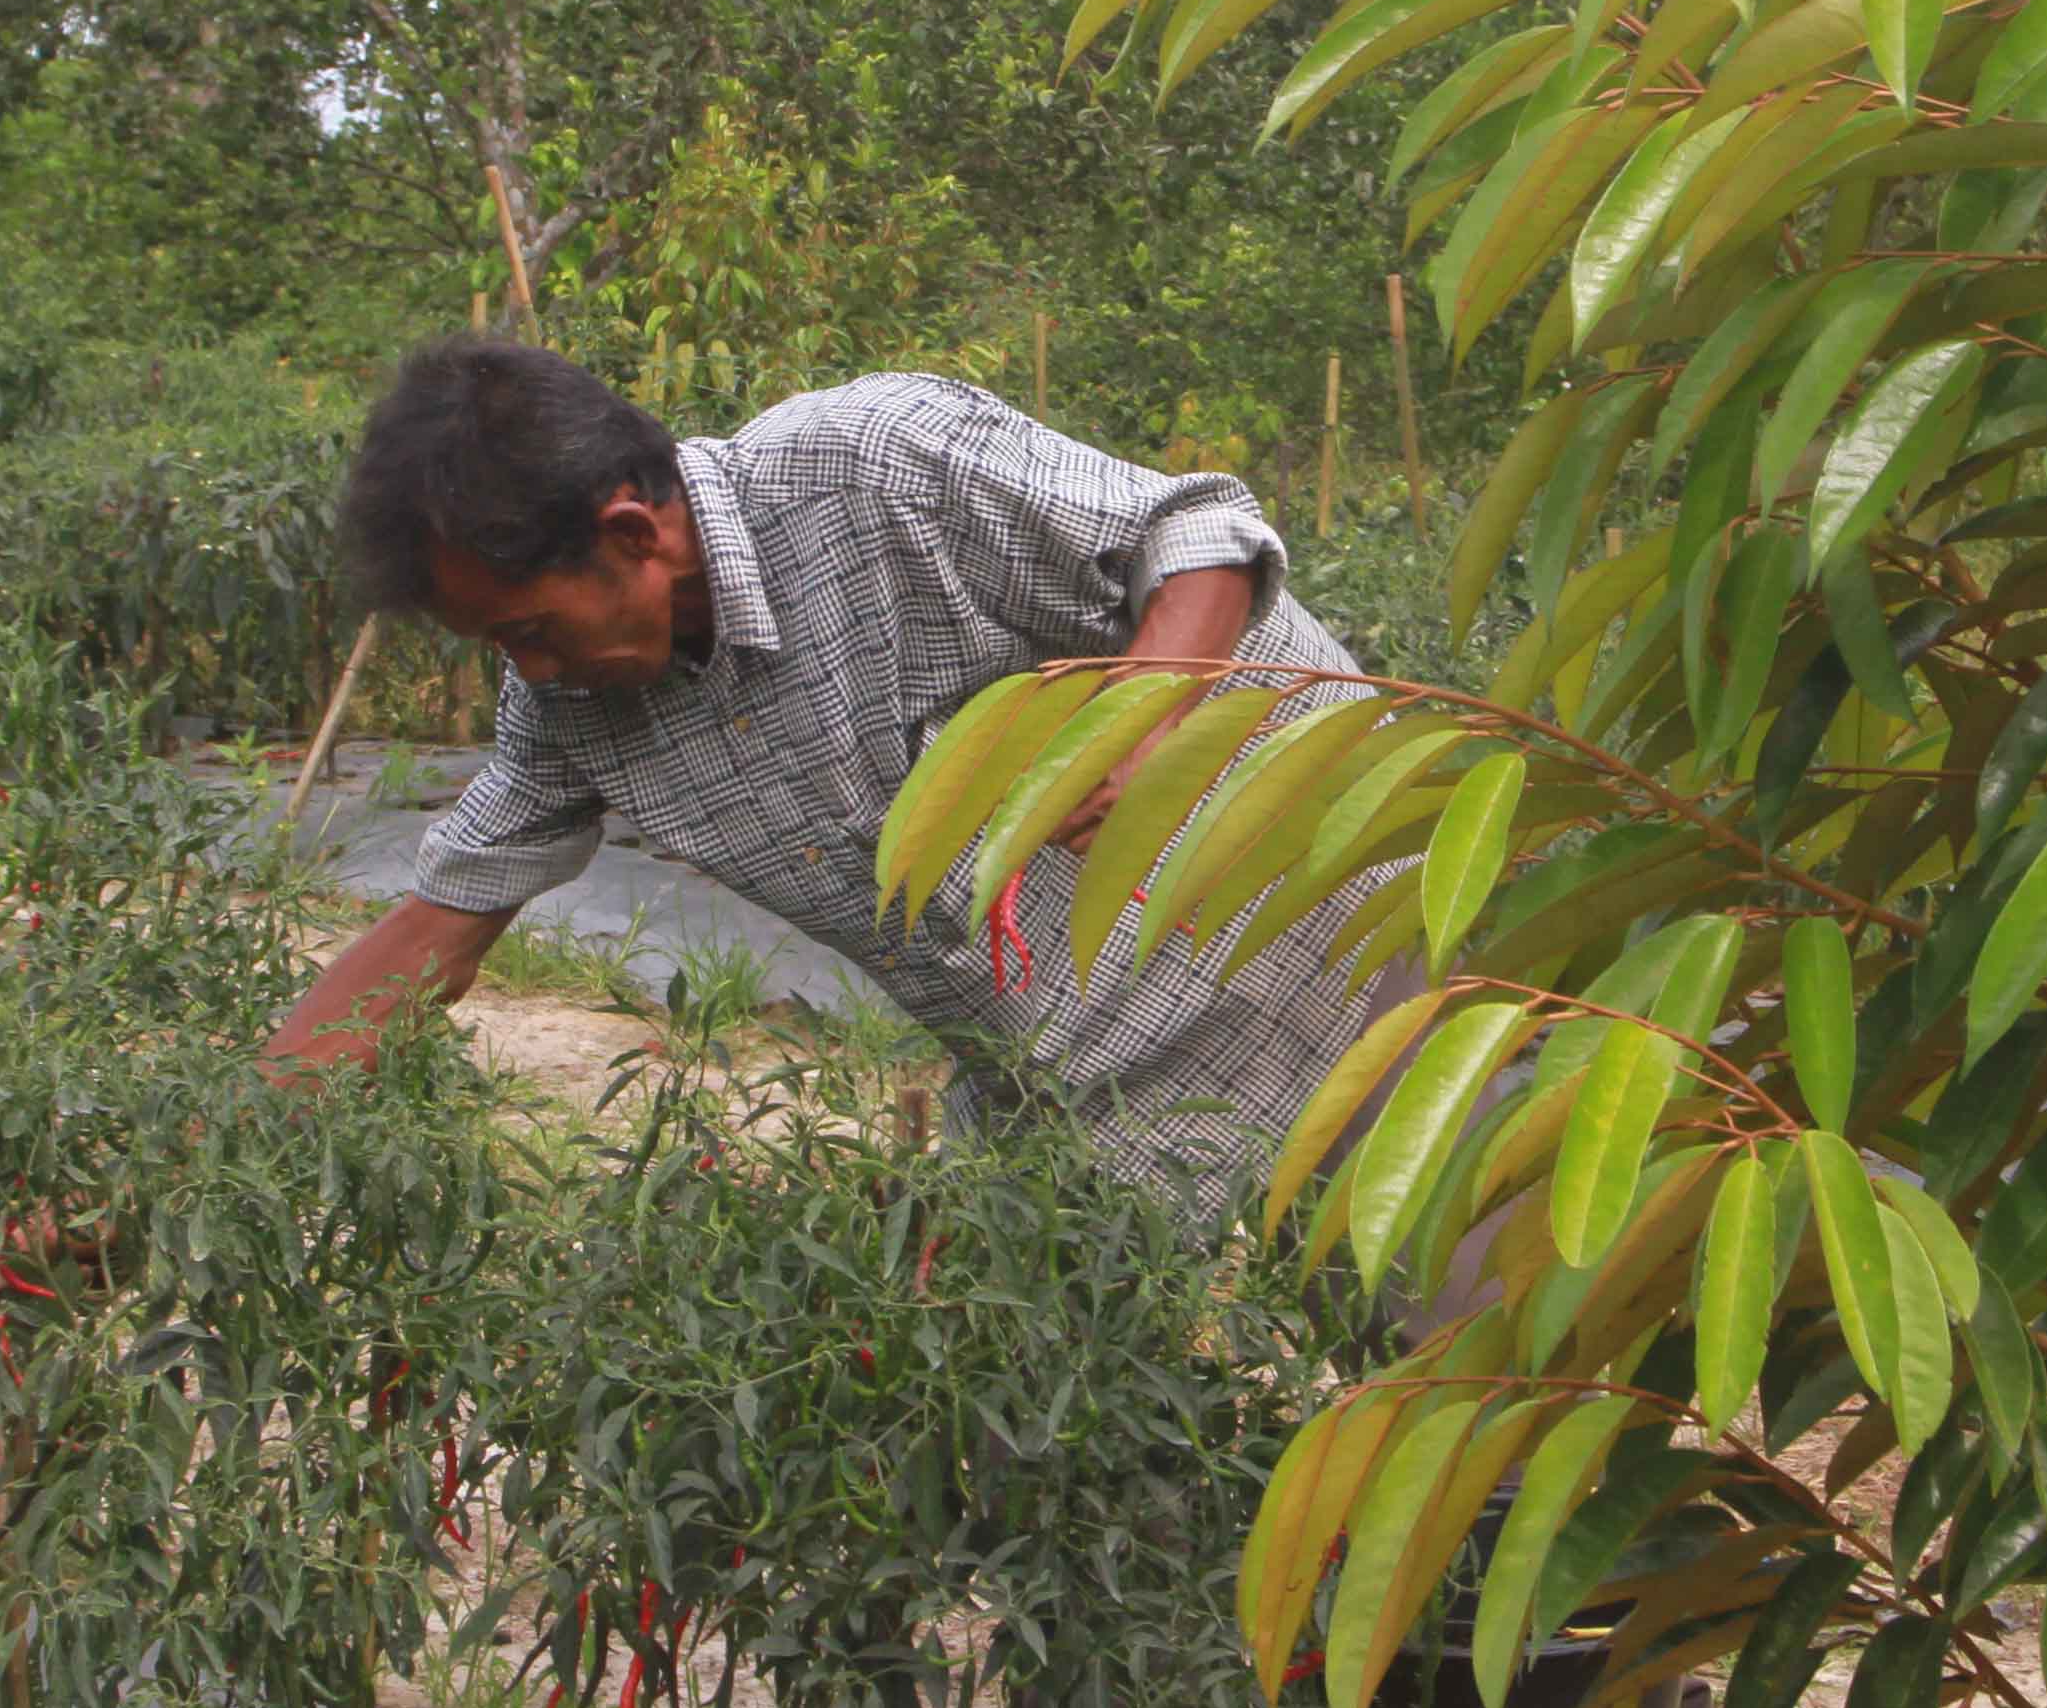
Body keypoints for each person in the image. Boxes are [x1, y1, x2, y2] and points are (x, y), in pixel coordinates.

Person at [271, 337, 1396, 1238]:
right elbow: (435, 933)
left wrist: (1147, 719)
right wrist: (210, 1149)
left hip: (1349, 971)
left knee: (1458, 1397)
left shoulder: (867, 460)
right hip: (1090, 1091)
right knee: (1032, 1447)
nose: (529, 671)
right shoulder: (572, 714)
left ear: (630, 533)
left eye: (528, 631)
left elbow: (1200, 530)